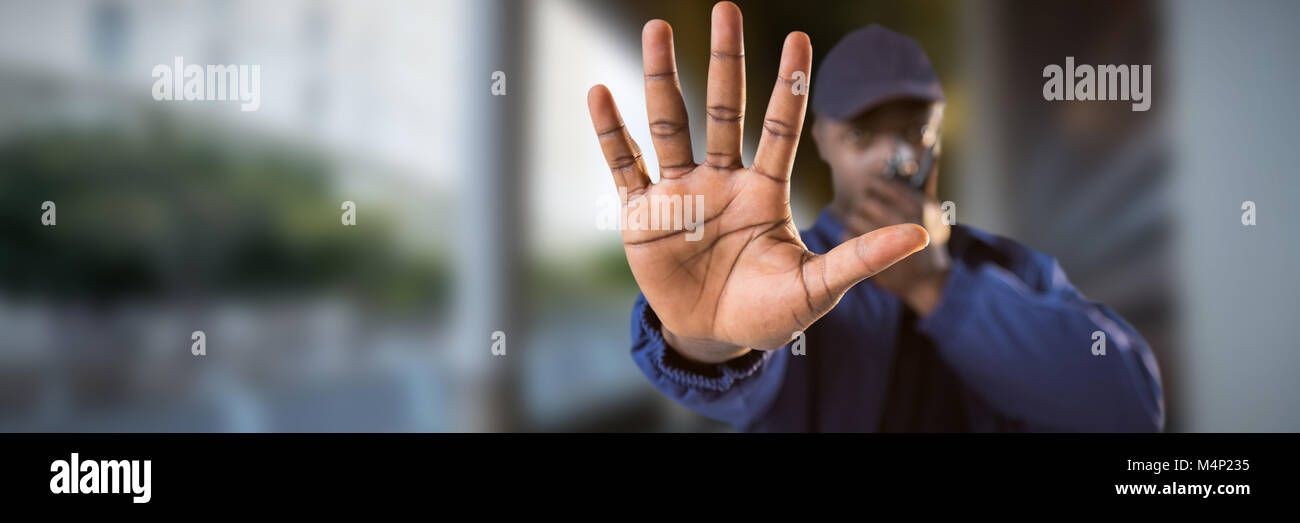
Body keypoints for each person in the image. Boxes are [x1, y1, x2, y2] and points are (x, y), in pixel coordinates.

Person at [586, 2, 1164, 432]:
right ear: (824, 143)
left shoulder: (1013, 267)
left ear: (939, 142)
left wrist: (940, 287)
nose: (897, 156)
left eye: (915, 130)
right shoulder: (777, 272)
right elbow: (741, 386)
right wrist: (706, 339)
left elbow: (1128, 410)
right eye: (863, 133)